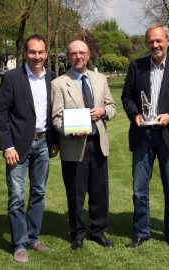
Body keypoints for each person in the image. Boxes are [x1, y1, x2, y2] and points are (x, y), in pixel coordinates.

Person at [121, 24, 169, 251]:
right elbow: (127, 97)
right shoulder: (137, 66)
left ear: (168, 41)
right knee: (139, 189)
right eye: (151, 41)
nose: (155, 45)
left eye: (159, 40)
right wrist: (134, 114)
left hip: (168, 135)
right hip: (142, 135)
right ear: (146, 43)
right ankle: (142, 232)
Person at [0, 34, 59, 263]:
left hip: (43, 143)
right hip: (18, 146)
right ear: (25, 53)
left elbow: (54, 113)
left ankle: (33, 238)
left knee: (39, 193)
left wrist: (54, 141)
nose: (37, 56)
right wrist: (7, 146)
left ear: (46, 53)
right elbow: (2, 114)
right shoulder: (12, 78)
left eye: (41, 52)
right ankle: (19, 244)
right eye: (32, 52)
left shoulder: (52, 78)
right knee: (16, 197)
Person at [51, 40, 116, 250]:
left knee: (99, 191)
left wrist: (104, 112)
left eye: (82, 53)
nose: (78, 57)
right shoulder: (59, 83)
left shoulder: (99, 78)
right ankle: (77, 233)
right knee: (75, 193)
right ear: (68, 57)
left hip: (98, 143)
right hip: (74, 145)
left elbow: (112, 106)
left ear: (89, 55)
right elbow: (56, 117)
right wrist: (69, 130)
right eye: (73, 53)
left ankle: (98, 231)